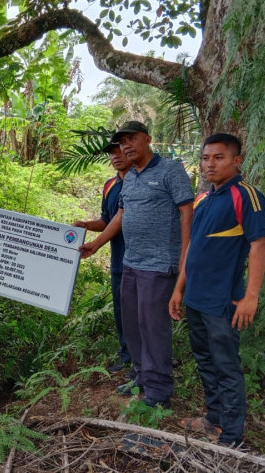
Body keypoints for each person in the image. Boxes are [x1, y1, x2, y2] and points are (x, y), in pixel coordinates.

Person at [80, 121, 194, 408]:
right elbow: (121, 214)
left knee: (153, 326)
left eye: (132, 139)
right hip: (131, 262)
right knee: (132, 324)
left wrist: (183, 260)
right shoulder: (128, 178)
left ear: (147, 139)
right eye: (121, 142)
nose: (126, 145)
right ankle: (141, 376)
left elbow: (186, 214)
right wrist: (97, 244)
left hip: (159, 265)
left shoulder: (170, 171)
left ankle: (158, 392)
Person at [170, 133, 265, 446]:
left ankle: (231, 434)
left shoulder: (247, 196)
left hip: (223, 300)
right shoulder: (203, 199)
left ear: (236, 161)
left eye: (219, 157)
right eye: (206, 158)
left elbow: (259, 245)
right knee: (204, 359)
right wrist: (178, 290)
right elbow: (193, 249)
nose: (210, 164)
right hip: (195, 298)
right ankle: (213, 419)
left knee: (226, 364)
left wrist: (250, 297)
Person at [73, 137, 133, 376]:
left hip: (142, 260)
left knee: (138, 312)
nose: (116, 156)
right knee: (121, 310)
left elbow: (124, 218)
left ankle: (141, 363)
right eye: (112, 153)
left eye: (120, 151)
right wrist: (85, 224)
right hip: (119, 259)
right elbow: (108, 221)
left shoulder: (140, 183)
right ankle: (126, 355)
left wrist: (96, 244)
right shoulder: (110, 186)